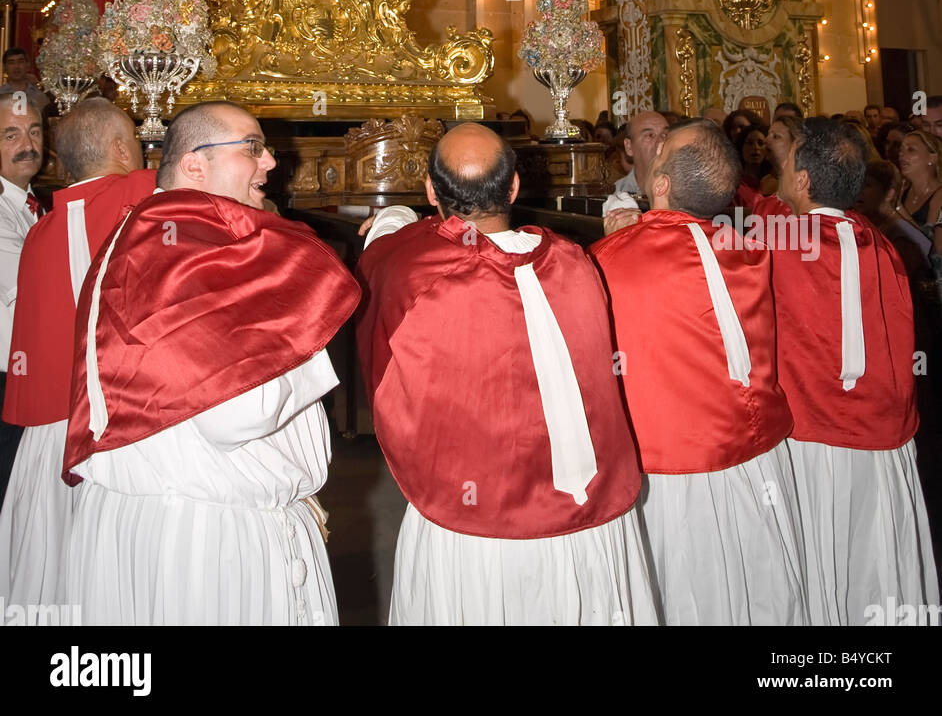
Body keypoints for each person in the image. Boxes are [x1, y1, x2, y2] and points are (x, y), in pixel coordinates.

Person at [63, 101, 360, 626]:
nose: (270, 163)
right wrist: (310, 343)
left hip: (183, 515)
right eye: (252, 149)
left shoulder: (158, 234)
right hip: (206, 541)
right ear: (194, 165)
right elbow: (240, 411)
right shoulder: (180, 247)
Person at [356, 123, 659, 627]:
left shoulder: (411, 274)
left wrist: (393, 216)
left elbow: (383, 260)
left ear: (432, 191)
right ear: (514, 187)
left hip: (474, 522)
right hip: (594, 510)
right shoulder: (575, 261)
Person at [594, 119, 806, 625]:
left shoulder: (610, 260)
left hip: (673, 474)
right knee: (763, 592)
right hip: (762, 458)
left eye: (661, 150)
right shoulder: (750, 251)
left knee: (679, 594)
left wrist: (621, 237)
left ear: (660, 185)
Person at [769, 118, 939, 624]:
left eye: (786, 160)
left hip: (812, 437)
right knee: (876, 561)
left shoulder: (779, 245)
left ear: (802, 181)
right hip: (883, 438)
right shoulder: (884, 245)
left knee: (821, 567)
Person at [0, 99, 154, 606]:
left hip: (46, 428)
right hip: (117, 419)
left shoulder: (44, 225)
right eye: (135, 138)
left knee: (50, 567)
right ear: (118, 148)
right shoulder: (149, 197)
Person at [0, 94, 44, 508]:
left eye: (34, 131)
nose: (27, 144)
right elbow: (32, 288)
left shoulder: (31, 202)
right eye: (10, 135)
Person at [601, 109, 668, 231]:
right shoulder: (615, 195)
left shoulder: (682, 193)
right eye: (650, 135)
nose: (661, 142)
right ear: (629, 147)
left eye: (665, 135)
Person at [897, 131, 942, 237]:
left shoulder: (939, 196)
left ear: (932, 158)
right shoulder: (902, 190)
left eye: (911, 149)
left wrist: (899, 209)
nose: (901, 154)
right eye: (901, 149)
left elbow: (930, 244)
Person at [0, 49, 50, 116]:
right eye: (11, 62)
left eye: (20, 62)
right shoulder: (1, 94)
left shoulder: (40, 96)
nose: (16, 66)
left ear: (28, 65)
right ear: (4, 67)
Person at [762, 112, 802, 197]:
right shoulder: (765, 182)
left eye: (776, 136)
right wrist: (738, 211)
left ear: (795, 144)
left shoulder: (805, 186)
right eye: (768, 135)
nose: (765, 140)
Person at [733, 122, 770, 211]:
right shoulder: (735, 187)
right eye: (750, 143)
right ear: (741, 147)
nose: (756, 147)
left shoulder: (773, 183)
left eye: (760, 143)